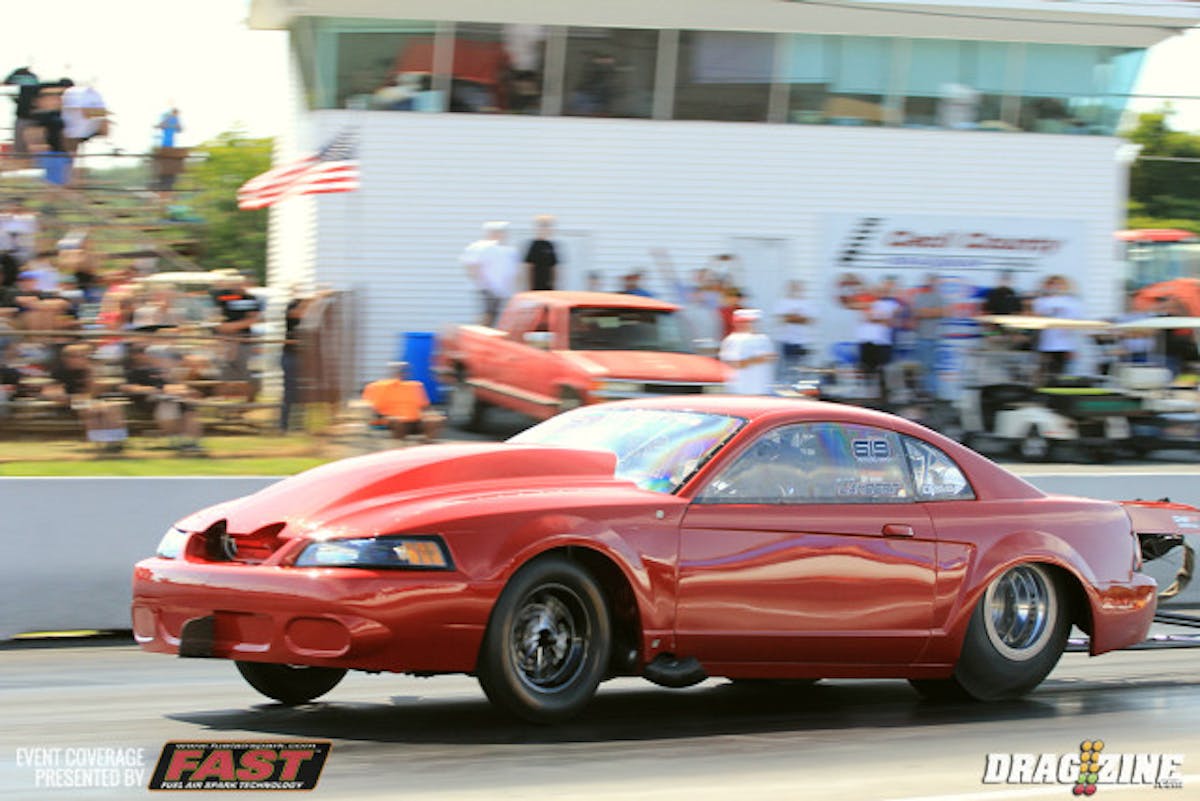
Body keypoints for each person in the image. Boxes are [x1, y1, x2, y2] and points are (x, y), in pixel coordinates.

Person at [361, 361, 444, 441]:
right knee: (397, 421)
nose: (402, 373)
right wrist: (382, 417)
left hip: (415, 420)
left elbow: (425, 407)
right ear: (391, 372)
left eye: (404, 370)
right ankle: (398, 447)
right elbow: (370, 408)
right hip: (391, 421)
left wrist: (431, 415)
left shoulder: (415, 386)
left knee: (434, 420)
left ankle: (426, 444)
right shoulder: (378, 387)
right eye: (399, 370)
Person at [211, 273, 263, 399]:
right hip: (226, 341)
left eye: (240, 283)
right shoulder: (223, 297)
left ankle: (245, 403)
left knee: (245, 373)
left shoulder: (250, 298)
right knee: (225, 374)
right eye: (234, 283)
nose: (238, 286)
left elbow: (254, 319)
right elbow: (216, 318)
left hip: (242, 339)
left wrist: (232, 327)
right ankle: (225, 405)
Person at [461, 221, 519, 325]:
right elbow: (471, 265)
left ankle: (485, 336)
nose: (500, 235)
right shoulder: (481, 247)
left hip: (500, 290)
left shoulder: (507, 250)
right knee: (487, 315)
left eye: (502, 232)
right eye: (497, 232)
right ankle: (478, 335)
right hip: (487, 288)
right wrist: (481, 282)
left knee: (494, 316)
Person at [1030, 274, 1084, 380]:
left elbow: (1077, 322)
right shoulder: (1041, 301)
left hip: (1066, 345)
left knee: (1062, 375)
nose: (1056, 287)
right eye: (1052, 284)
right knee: (1044, 373)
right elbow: (1037, 317)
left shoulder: (1073, 302)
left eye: (1059, 284)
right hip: (1046, 344)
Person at [719, 308, 776, 395]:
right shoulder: (733, 340)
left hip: (762, 390)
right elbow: (733, 364)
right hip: (740, 391)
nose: (750, 325)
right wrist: (755, 360)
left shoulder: (764, 338)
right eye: (745, 322)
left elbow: (771, 359)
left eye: (753, 322)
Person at [910, 273, 946, 397]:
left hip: (933, 338)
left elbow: (940, 312)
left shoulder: (939, 297)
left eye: (933, 281)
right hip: (920, 337)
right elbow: (915, 313)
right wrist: (928, 312)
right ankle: (922, 392)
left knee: (931, 367)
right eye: (929, 281)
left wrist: (925, 312)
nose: (930, 283)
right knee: (921, 367)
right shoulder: (919, 297)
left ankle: (932, 392)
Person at [772, 279, 815, 379]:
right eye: (793, 287)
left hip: (802, 341)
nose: (796, 289)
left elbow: (810, 320)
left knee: (802, 369)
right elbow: (781, 319)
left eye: (798, 287)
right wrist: (798, 318)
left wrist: (791, 317)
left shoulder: (807, 303)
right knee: (785, 369)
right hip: (785, 341)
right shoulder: (782, 302)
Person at [522, 214, 560, 291]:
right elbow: (529, 267)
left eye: (548, 226)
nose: (547, 229)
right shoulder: (533, 245)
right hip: (536, 286)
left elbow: (554, 268)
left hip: (549, 287)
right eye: (543, 226)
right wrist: (529, 287)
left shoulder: (551, 245)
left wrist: (555, 285)